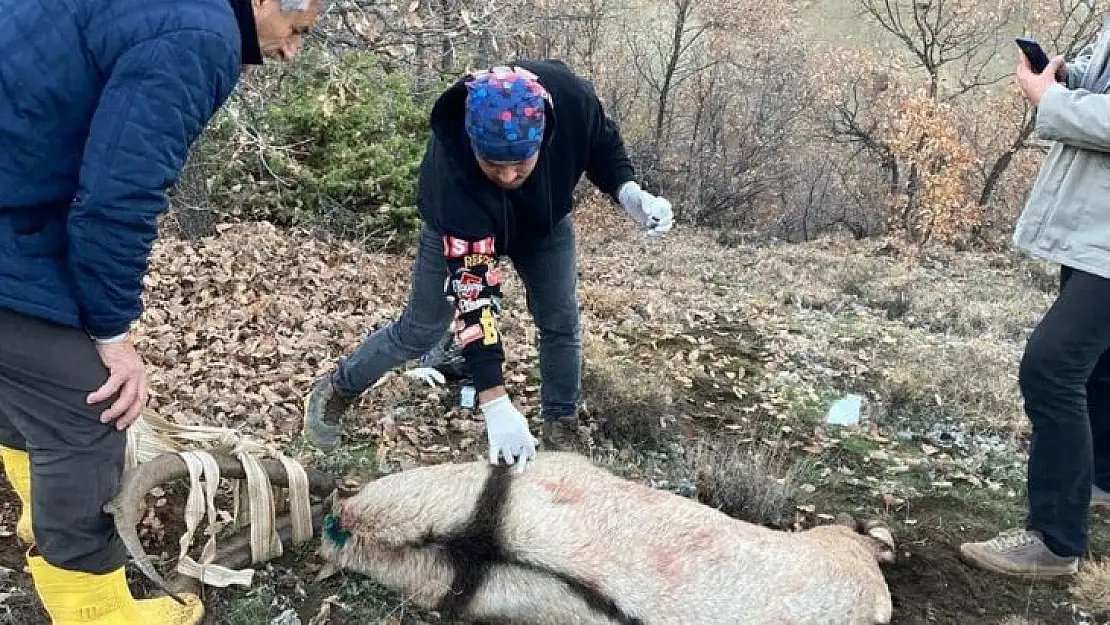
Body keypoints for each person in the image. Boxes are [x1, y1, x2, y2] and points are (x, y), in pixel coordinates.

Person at [0, 0, 320, 621]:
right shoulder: (198, 35)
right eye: (295, 30)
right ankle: (94, 610)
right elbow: (118, 197)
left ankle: (46, 513)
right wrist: (111, 330)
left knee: (26, 375)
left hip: (18, 214)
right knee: (89, 407)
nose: (290, 51)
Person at [302, 61, 673, 469]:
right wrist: (495, 404)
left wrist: (628, 191)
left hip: (542, 225)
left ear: (544, 135)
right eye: (494, 165)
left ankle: (561, 423)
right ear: (473, 142)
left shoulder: (570, 101)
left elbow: (600, 143)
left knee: (560, 320)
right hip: (461, 226)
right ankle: (336, 389)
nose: (509, 175)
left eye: (520, 163)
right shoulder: (453, 173)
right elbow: (475, 296)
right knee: (419, 331)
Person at [959, 30, 1110, 579]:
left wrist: (1050, 100)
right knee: (1097, 365)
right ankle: (1099, 480)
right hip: (1098, 228)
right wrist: (1070, 78)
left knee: (1052, 368)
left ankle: (1054, 540)